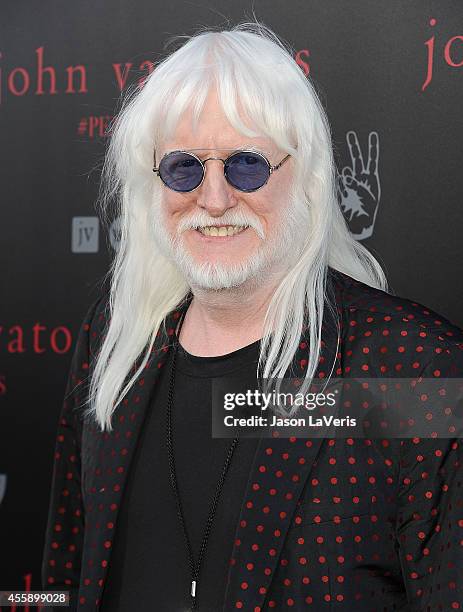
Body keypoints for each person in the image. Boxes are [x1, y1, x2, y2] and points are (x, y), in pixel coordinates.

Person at [41, 21, 463, 611]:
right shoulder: (116, 340)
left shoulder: (412, 366)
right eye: (185, 168)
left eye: (246, 165)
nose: (213, 200)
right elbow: (63, 568)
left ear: (308, 177)